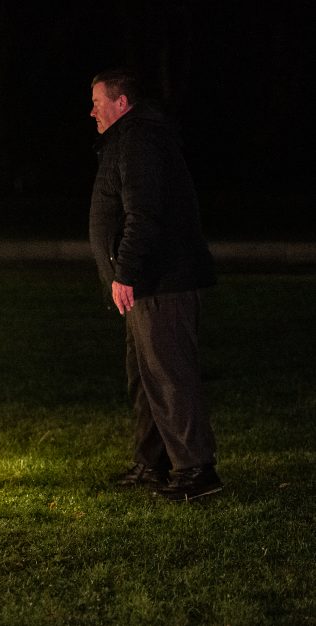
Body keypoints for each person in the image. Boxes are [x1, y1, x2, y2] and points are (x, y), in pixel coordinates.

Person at [88, 68, 220, 502]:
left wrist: (125, 272)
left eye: (98, 102)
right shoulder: (129, 140)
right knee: (144, 378)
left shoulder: (139, 140)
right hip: (146, 285)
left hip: (161, 282)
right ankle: (153, 463)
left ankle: (196, 469)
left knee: (170, 376)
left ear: (121, 102)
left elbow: (143, 214)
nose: (92, 112)